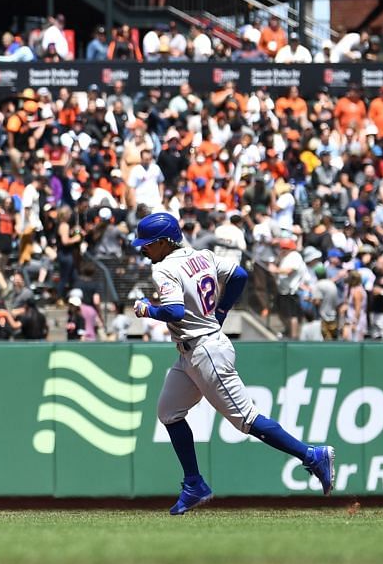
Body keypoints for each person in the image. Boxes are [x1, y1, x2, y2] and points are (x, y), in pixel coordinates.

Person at [130, 212, 334, 513]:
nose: (142, 249)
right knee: (169, 412)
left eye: (147, 244)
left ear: (163, 242)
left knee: (246, 419)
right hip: (193, 351)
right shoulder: (203, 256)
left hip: (205, 351)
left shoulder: (164, 269)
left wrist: (148, 310)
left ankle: (311, 455)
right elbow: (239, 275)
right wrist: (222, 311)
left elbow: (173, 312)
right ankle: (194, 484)